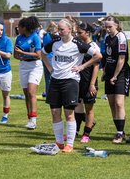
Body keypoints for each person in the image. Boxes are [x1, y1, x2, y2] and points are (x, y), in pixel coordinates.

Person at [41, 17, 102, 153]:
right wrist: (50, 68)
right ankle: (59, 142)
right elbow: (42, 53)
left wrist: (82, 67)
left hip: (70, 82)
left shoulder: (78, 44)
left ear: (70, 29)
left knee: (69, 114)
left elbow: (98, 56)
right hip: (55, 82)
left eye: (62, 29)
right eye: (59, 29)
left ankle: (69, 143)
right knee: (55, 112)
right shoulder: (55, 43)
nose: (60, 32)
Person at [103, 16, 130, 143]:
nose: (108, 29)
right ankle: (120, 130)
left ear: (116, 25)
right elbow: (106, 56)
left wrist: (115, 76)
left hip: (121, 73)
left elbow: (121, 59)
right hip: (109, 73)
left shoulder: (121, 37)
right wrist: (105, 71)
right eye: (106, 27)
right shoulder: (106, 38)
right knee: (111, 103)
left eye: (110, 27)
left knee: (119, 103)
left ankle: (120, 134)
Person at [14, 16, 43, 130]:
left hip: (35, 66)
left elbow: (38, 55)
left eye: (19, 27)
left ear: (24, 27)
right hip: (23, 66)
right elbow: (15, 55)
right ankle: (29, 118)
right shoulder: (19, 38)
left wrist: (23, 53)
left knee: (31, 92)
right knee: (26, 94)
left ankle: (34, 119)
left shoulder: (35, 37)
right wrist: (19, 55)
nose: (18, 28)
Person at [75, 22, 100, 143]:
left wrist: (92, 84)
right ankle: (75, 132)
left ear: (87, 33)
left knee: (89, 108)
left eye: (80, 33)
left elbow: (96, 66)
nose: (77, 35)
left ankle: (86, 134)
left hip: (89, 82)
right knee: (77, 107)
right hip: (77, 81)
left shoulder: (94, 46)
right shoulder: (79, 44)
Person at [41, 21, 58, 98]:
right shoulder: (53, 36)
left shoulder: (45, 35)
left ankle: (48, 93)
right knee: (53, 76)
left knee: (47, 77)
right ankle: (52, 94)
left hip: (44, 57)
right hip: (51, 57)